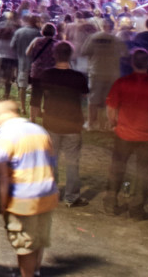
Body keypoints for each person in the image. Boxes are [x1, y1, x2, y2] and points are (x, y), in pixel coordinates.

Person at [0, 98, 58, 277]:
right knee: (38, 239)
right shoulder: (39, 129)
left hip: (23, 198)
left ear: (6, 114)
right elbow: (52, 161)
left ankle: (27, 274)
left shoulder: (8, 133)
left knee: (24, 244)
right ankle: (35, 271)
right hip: (46, 193)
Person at [104, 48, 148, 219]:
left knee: (117, 168)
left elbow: (111, 108)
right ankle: (137, 209)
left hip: (123, 133)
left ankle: (111, 203)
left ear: (132, 63)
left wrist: (114, 124)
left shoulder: (122, 83)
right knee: (144, 173)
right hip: (147, 135)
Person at [32, 41, 88, 207]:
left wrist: (34, 120)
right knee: (72, 162)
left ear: (54, 55)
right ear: (70, 55)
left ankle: (51, 192)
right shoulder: (78, 77)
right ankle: (71, 197)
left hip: (51, 123)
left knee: (51, 160)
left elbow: (35, 101)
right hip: (73, 124)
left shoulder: (45, 74)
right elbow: (84, 97)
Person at [80, 19, 126, 132]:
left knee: (93, 99)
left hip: (96, 71)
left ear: (100, 26)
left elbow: (84, 51)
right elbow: (125, 53)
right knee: (109, 100)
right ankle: (106, 124)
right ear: (110, 27)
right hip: (112, 73)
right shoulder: (116, 39)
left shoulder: (93, 38)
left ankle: (91, 124)